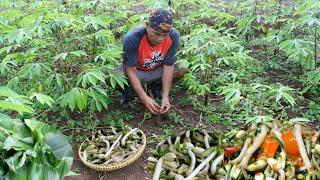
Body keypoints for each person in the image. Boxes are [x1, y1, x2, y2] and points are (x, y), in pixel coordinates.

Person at [115, 9, 186, 114]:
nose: (160, 39)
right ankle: (128, 90)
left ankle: (157, 86)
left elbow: (169, 66)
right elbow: (130, 70)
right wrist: (144, 98)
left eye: (164, 35)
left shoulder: (173, 36)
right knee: (110, 74)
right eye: (156, 33)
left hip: (157, 70)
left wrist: (166, 97)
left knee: (183, 68)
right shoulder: (133, 37)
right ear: (147, 25)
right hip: (136, 71)